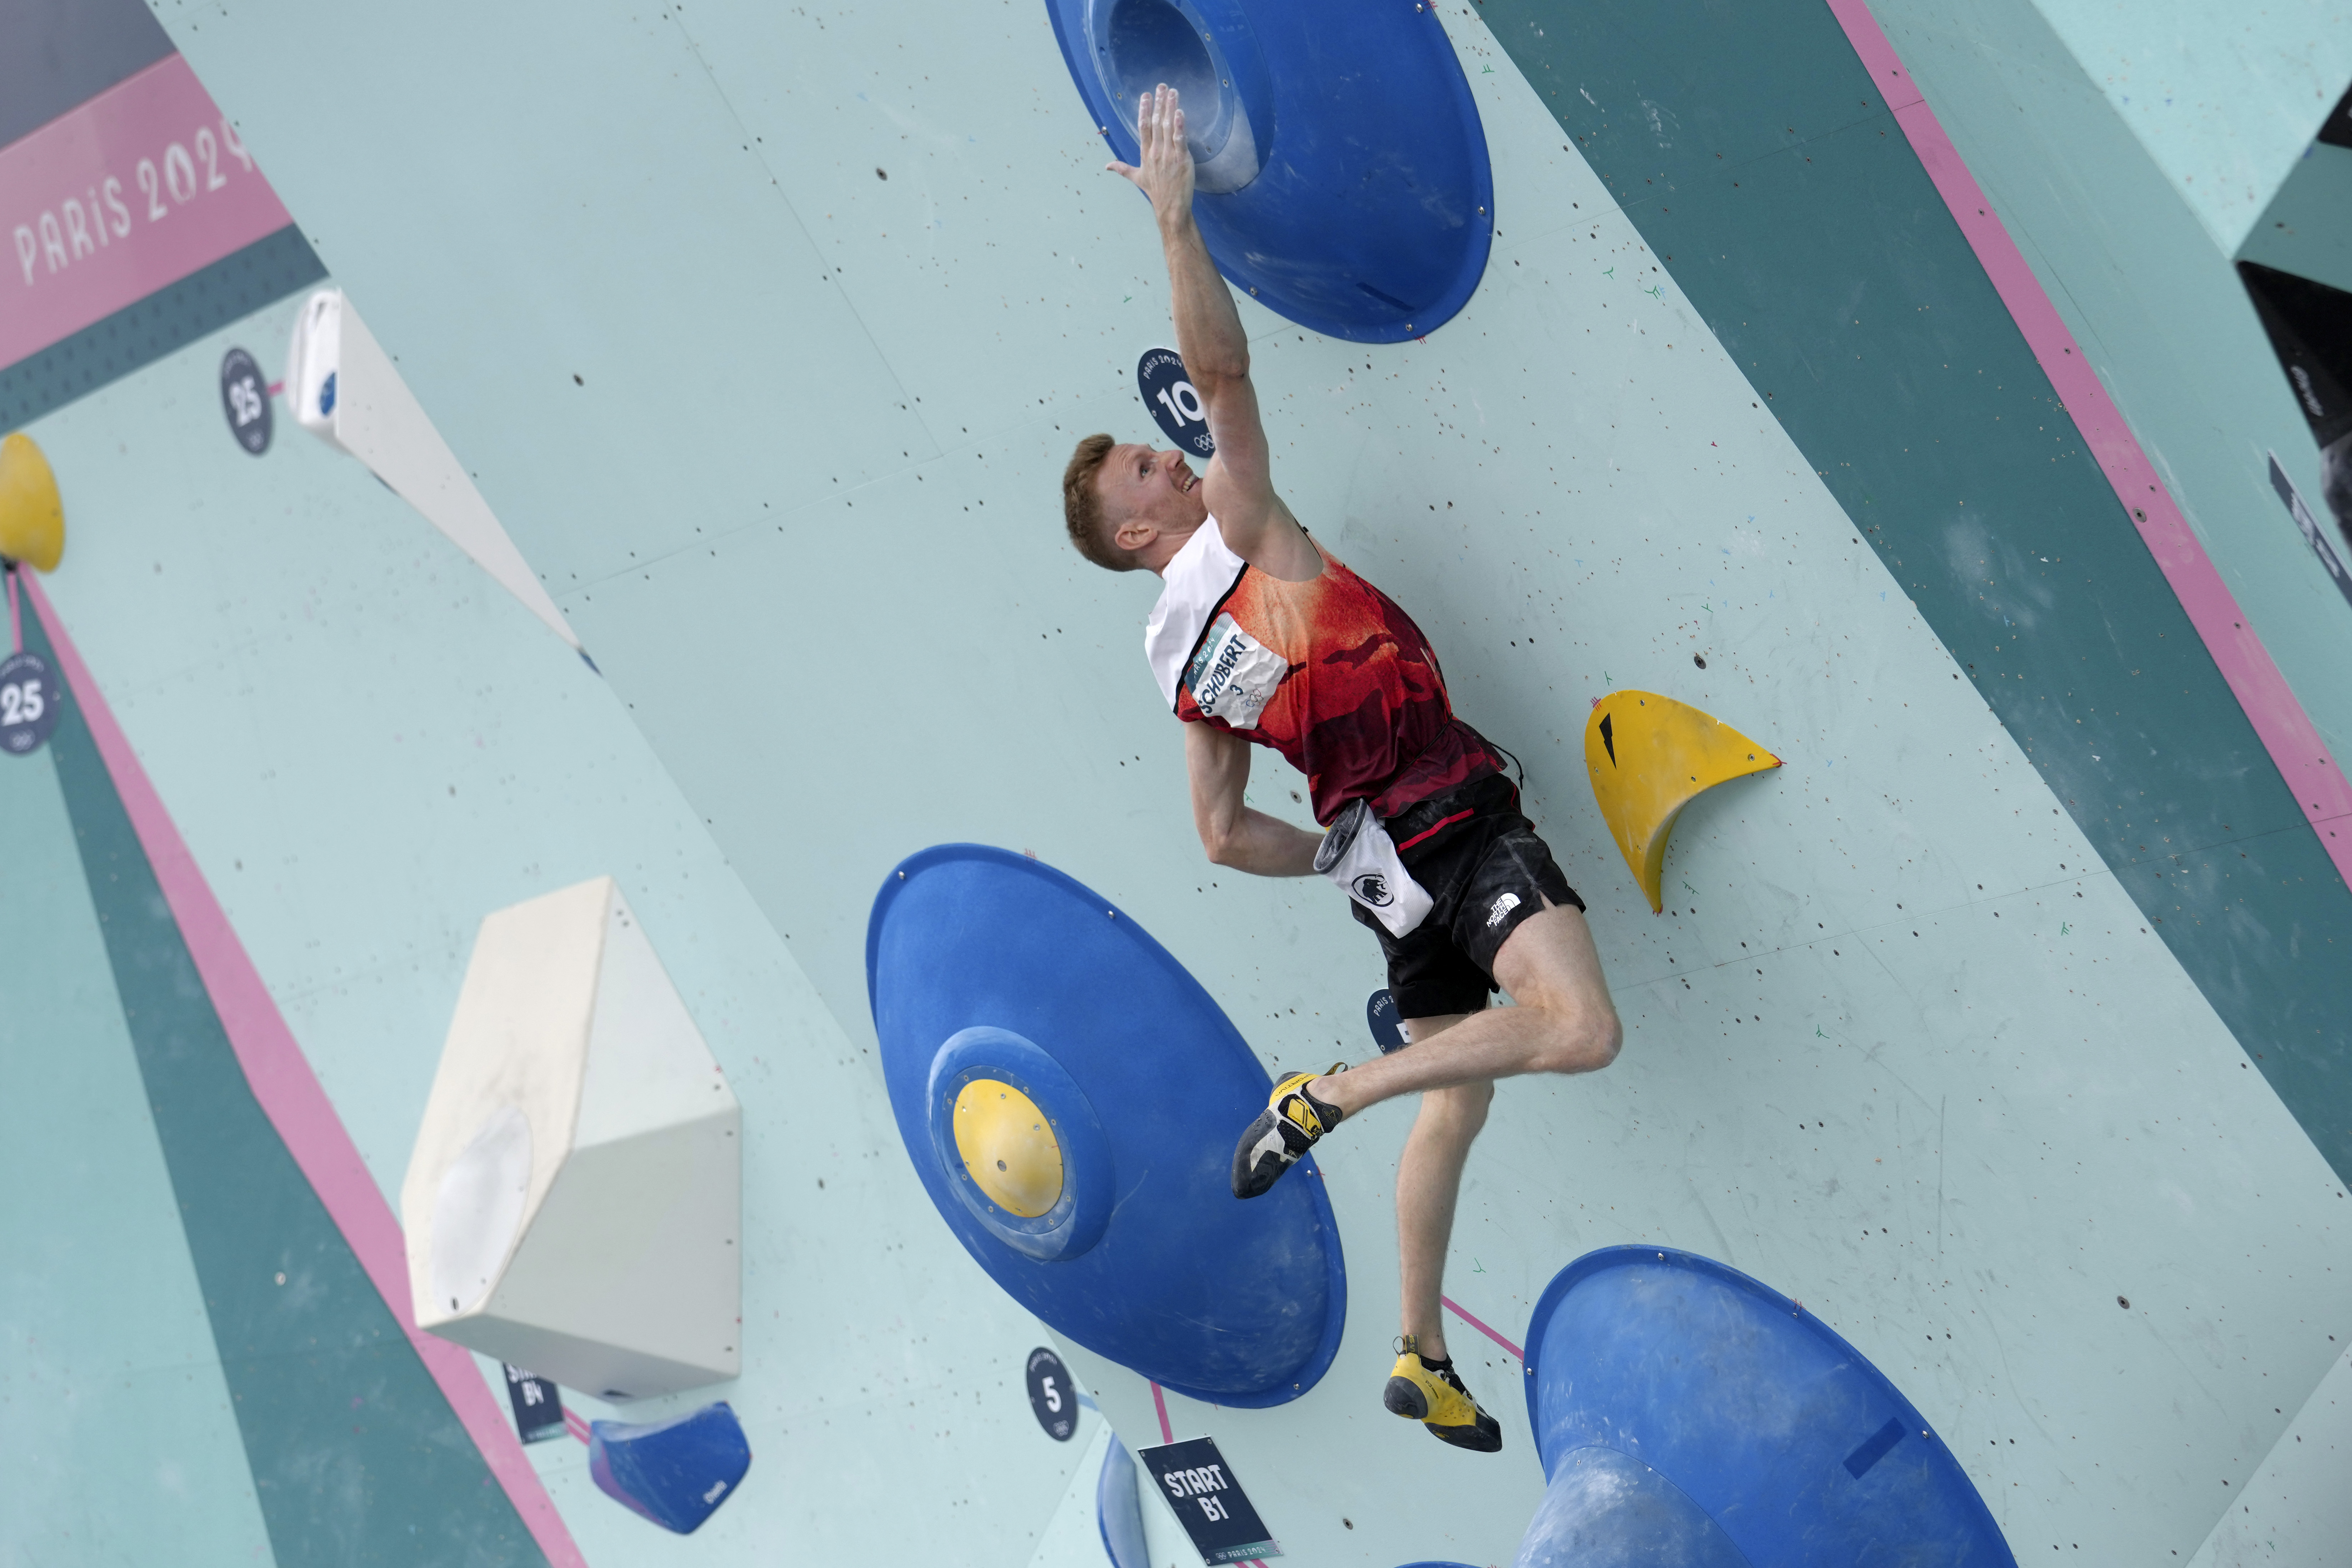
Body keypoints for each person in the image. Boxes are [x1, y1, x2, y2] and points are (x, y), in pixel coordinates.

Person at [1059, 85, 1623, 1453]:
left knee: (1462, 1095)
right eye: (1150, 465)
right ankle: (1327, 1093)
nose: (1174, 454)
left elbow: (1218, 835)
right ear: (1139, 536)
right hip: (1450, 813)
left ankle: (1421, 1352)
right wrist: (1177, 227)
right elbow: (1233, 377)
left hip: (1382, 871)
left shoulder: (1178, 662)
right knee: (1578, 1029)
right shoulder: (1237, 539)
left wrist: (1331, 850)